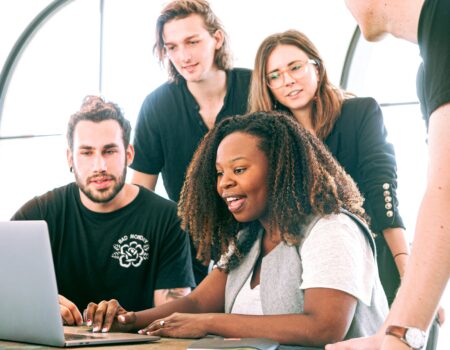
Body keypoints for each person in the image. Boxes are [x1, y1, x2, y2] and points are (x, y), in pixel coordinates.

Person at [83, 111, 388, 347]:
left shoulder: (331, 228)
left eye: (239, 170)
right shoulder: (250, 237)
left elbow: (324, 327)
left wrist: (212, 323)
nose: (224, 183)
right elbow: (198, 302)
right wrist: (128, 319)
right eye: (219, 173)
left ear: (281, 168)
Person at [248, 29, 409, 305]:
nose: (287, 80)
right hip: (304, 262)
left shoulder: (360, 113)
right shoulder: (268, 140)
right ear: (268, 87)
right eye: (274, 76)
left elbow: (382, 188)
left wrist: (405, 264)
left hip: (368, 250)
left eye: (295, 67)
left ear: (317, 68)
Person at [326, 0, 450, 349]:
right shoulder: (429, 64)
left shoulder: (445, 19)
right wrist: (391, 333)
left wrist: (399, 336)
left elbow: (447, 188)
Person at [12, 96, 195, 328]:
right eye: (87, 153)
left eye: (109, 151)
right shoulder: (38, 214)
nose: (100, 166)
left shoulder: (167, 217)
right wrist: (39, 304)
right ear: (70, 158)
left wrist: (126, 320)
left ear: (129, 154)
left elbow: (171, 319)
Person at [130, 0, 252, 284]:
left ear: (217, 38)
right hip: (191, 249)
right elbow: (140, 194)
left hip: (261, 237)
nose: (183, 56)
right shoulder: (157, 106)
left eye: (192, 41)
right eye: (172, 47)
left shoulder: (255, 87)